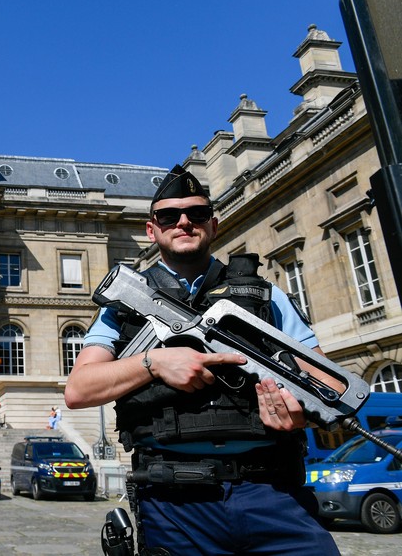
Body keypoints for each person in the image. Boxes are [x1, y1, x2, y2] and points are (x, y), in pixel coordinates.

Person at [64, 165, 343, 555]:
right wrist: (153, 363)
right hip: (174, 501)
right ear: (152, 229)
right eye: (168, 216)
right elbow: (78, 390)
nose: (183, 222)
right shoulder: (122, 306)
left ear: (212, 225)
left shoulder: (264, 296)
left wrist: (299, 411)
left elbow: (329, 384)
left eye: (196, 214)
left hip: (272, 491)